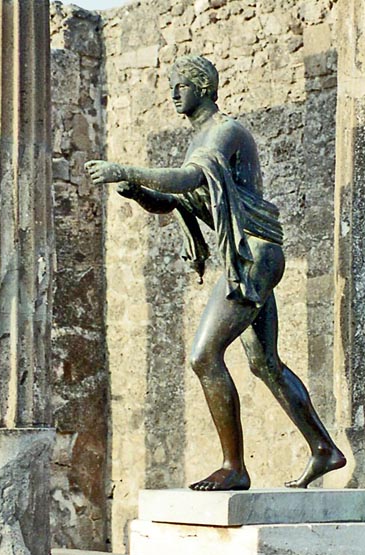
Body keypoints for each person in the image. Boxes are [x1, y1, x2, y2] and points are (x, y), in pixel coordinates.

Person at [85, 55, 345, 491]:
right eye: (170, 86)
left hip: (254, 256)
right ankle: (324, 450)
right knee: (265, 364)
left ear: (203, 87)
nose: (172, 94)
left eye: (179, 85)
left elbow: (188, 179)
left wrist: (126, 169)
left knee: (203, 356)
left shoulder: (225, 131)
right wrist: (138, 193)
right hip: (249, 258)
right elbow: (178, 202)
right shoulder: (202, 139)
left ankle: (234, 467)